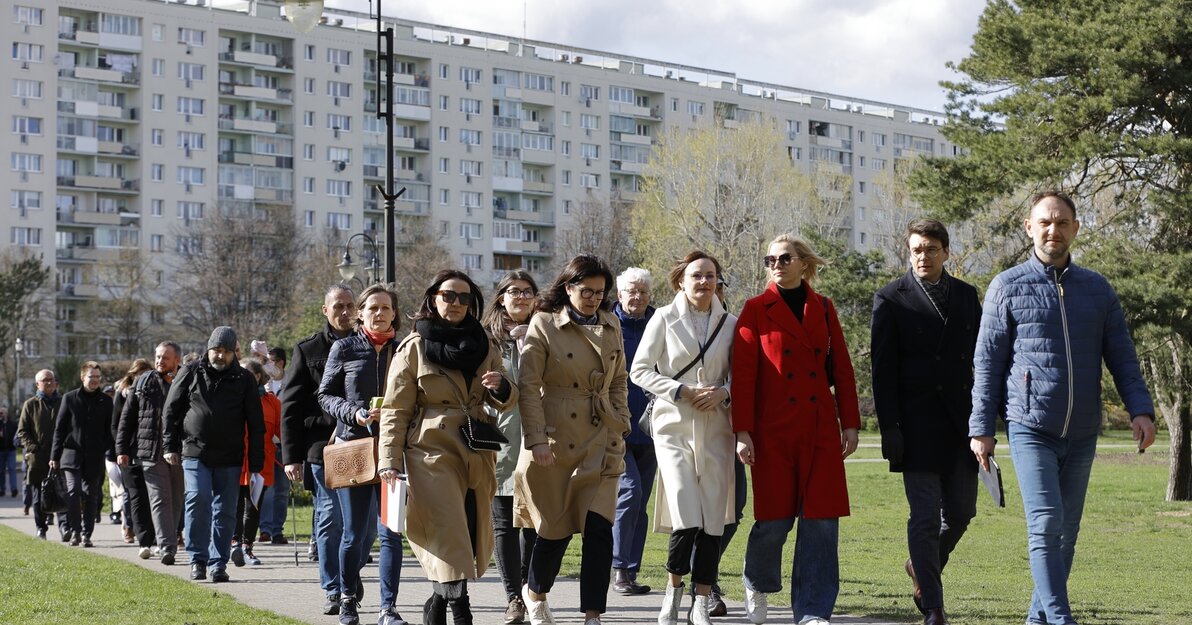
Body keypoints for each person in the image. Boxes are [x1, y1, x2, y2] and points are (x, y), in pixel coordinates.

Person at [969, 191, 1156, 625]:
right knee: (1046, 522)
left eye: (1062, 222)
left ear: (1075, 227)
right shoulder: (1007, 285)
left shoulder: (1097, 288)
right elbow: (987, 362)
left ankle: (1038, 618)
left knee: (1067, 531)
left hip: (1084, 430)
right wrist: (982, 428)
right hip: (1031, 424)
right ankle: (1059, 618)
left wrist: (1140, 410)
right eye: (1045, 222)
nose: (1053, 230)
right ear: (1029, 228)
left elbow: (1123, 356)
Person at [732, 234, 861, 625]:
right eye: (769, 259)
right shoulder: (754, 309)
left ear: (804, 263)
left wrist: (851, 423)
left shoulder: (823, 306)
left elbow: (842, 369)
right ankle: (757, 580)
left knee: (822, 521)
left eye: (784, 257)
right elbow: (743, 376)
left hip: (820, 427)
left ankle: (813, 610)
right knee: (774, 519)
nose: (776, 264)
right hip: (773, 431)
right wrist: (742, 431)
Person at [379, 269, 518, 625]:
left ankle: (437, 605)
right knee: (448, 528)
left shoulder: (484, 344)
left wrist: (501, 387)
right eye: (448, 296)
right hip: (430, 449)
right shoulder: (413, 347)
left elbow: (505, 399)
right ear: (434, 298)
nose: (455, 303)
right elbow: (395, 409)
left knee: (468, 533)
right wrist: (388, 461)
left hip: (475, 447)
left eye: (464, 298)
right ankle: (461, 610)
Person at [871, 220, 981, 625]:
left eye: (931, 249)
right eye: (916, 249)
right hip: (914, 428)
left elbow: (982, 361)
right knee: (922, 517)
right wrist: (889, 427)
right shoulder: (890, 298)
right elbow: (882, 371)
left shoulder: (968, 296)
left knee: (962, 513)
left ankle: (921, 566)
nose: (923, 256)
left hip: (961, 426)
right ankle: (934, 606)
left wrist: (984, 421)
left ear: (946, 252)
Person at [514, 254, 631, 625]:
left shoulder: (612, 323)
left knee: (600, 529)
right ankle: (534, 593)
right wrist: (536, 439)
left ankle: (593, 614)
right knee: (554, 531)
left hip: (602, 436)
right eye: (586, 291)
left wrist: (622, 421)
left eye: (600, 292)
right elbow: (529, 387)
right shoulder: (545, 323)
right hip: (556, 438)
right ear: (568, 288)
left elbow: (618, 381)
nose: (594, 298)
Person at [630, 251, 736, 625]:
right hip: (673, 424)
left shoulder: (731, 323)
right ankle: (672, 592)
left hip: (717, 426)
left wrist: (724, 392)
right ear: (681, 281)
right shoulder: (663, 318)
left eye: (710, 275)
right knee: (685, 511)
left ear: (717, 281)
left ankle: (701, 600)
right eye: (696, 276)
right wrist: (678, 390)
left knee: (712, 518)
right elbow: (639, 370)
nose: (704, 282)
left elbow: (742, 374)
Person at [317, 284, 407, 625]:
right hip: (354, 448)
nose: (380, 313)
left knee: (391, 533)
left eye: (386, 308)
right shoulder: (345, 348)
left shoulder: (406, 350)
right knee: (354, 533)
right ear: (361, 313)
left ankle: (388, 608)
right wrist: (353, 412)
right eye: (373, 308)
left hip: (395, 454)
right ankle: (347, 598)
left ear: (394, 313)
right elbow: (325, 395)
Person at [163, 326, 265, 583]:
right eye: (216, 350)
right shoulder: (190, 372)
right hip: (195, 451)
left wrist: (255, 462)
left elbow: (255, 423)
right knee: (197, 498)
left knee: (225, 510)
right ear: (208, 349)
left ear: (234, 353)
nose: (220, 356)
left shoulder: (244, 379)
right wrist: (169, 446)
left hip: (230, 456)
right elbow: (171, 410)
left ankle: (218, 562)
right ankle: (197, 559)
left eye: (226, 352)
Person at [281, 285, 357, 615]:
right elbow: (291, 406)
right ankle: (334, 588)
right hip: (320, 447)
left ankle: (349, 579)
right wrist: (291, 456)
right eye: (338, 306)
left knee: (360, 525)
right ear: (325, 310)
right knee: (330, 518)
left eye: (350, 305)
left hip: (360, 444)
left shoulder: (368, 345)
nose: (344, 311)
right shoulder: (307, 349)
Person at [480, 271, 541, 625]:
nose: (520, 296)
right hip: (499, 440)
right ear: (500, 297)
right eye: (513, 291)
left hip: (537, 438)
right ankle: (513, 597)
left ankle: (527, 588)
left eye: (527, 291)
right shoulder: (486, 340)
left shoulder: (545, 333)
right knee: (504, 522)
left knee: (533, 521)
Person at [610, 266, 656, 597]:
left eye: (642, 291)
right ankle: (618, 568)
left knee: (641, 503)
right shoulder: (605, 325)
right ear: (619, 294)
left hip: (654, 429)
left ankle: (631, 570)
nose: (637, 297)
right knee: (630, 494)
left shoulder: (662, 323)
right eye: (631, 291)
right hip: (617, 428)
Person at [117, 341, 185, 565]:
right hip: (150, 451)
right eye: (157, 356)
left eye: (165, 357)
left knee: (176, 499)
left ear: (177, 360)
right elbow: (127, 418)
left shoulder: (187, 381)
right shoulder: (143, 381)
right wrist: (122, 449)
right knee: (159, 499)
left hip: (179, 452)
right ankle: (167, 547)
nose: (159, 361)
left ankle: (170, 539)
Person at [49, 361, 114, 548]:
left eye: (97, 377)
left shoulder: (106, 401)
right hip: (71, 455)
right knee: (73, 491)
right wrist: (54, 456)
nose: (95, 381)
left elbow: (111, 430)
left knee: (91, 495)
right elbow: (60, 429)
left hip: (94, 456)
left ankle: (87, 534)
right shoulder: (69, 399)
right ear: (82, 377)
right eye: (91, 377)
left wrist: (104, 447)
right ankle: (76, 532)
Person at [230, 358, 281, 567]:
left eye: (249, 374)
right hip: (233, 460)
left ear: (258, 377)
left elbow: (280, 431)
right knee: (234, 506)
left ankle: (247, 547)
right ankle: (233, 544)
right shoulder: (230, 398)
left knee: (253, 506)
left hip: (261, 462)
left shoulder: (272, 402)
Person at [112, 359, 157, 556]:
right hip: (130, 453)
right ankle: (144, 541)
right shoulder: (123, 395)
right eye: (141, 374)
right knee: (137, 496)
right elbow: (116, 425)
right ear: (133, 375)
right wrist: (122, 449)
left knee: (154, 496)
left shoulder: (157, 392)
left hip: (151, 451)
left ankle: (158, 538)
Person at [17, 370, 62, 539]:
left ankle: (64, 527)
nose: (49, 383)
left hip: (59, 455)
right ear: (38, 384)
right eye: (45, 380)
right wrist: (33, 447)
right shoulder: (31, 404)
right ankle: (41, 527)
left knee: (62, 492)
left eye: (51, 379)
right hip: (38, 457)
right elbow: (22, 431)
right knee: (38, 495)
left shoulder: (63, 402)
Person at [258, 345, 291, 545]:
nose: (267, 367)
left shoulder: (290, 381)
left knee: (282, 490)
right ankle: (266, 529)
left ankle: (278, 530)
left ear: (280, 363)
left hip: (285, 444)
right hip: (266, 444)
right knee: (267, 489)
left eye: (270, 362)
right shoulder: (264, 386)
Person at [0, 406, 18, 498]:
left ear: (6, 413)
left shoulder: (13, 424)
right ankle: (2, 489)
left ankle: (14, 489)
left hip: (11, 450)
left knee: (12, 469)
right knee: (1, 471)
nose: (1, 415)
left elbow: (17, 435)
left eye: (2, 413)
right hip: (1, 450)